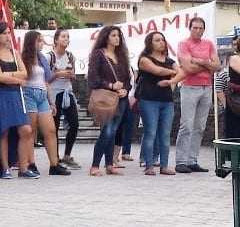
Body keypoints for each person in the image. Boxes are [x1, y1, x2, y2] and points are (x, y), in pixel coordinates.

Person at [0, 21, 36, 179]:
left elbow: (25, 73)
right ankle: (5, 168)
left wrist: (9, 77)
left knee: (25, 130)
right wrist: (17, 78)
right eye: (5, 33)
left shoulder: (15, 53)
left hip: (15, 95)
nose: (8, 36)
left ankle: (23, 167)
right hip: (0, 95)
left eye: (9, 33)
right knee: (3, 131)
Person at [175, 17, 220, 173]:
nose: (198, 30)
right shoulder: (183, 44)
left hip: (206, 88)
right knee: (186, 125)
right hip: (189, 87)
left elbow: (217, 66)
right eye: (195, 28)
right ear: (190, 28)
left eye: (201, 28)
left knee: (199, 127)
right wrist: (207, 63)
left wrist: (198, 61)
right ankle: (181, 161)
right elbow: (187, 68)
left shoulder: (209, 44)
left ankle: (192, 160)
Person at [22, 31, 70, 176]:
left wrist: (52, 102)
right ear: (32, 42)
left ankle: (54, 164)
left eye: (42, 41)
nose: (42, 43)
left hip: (42, 94)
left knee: (50, 130)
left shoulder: (42, 57)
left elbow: (47, 80)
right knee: (31, 131)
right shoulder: (24, 57)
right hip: (28, 93)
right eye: (39, 41)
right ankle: (31, 163)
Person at [87, 26, 132, 177]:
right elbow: (93, 78)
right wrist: (111, 86)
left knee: (113, 132)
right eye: (113, 35)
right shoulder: (98, 54)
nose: (117, 38)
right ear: (106, 37)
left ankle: (109, 165)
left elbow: (127, 78)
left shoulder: (122, 55)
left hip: (121, 99)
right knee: (107, 131)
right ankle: (94, 165)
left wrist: (125, 89)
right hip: (106, 98)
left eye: (118, 35)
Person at [137, 31, 181, 176]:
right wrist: (173, 73)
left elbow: (182, 72)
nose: (161, 42)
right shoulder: (144, 59)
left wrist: (171, 81)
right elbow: (157, 70)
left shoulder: (170, 60)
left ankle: (164, 166)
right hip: (148, 100)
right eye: (157, 40)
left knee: (165, 134)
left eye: (162, 39)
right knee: (151, 132)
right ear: (150, 43)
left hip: (166, 101)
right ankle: (149, 165)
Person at [47, 28, 81, 169]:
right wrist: (59, 73)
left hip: (67, 92)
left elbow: (74, 75)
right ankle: (55, 157)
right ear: (56, 40)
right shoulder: (49, 57)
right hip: (54, 93)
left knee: (74, 123)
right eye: (63, 37)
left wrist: (70, 74)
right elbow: (46, 77)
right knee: (53, 127)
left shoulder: (70, 56)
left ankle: (67, 155)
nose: (66, 39)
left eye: (67, 37)